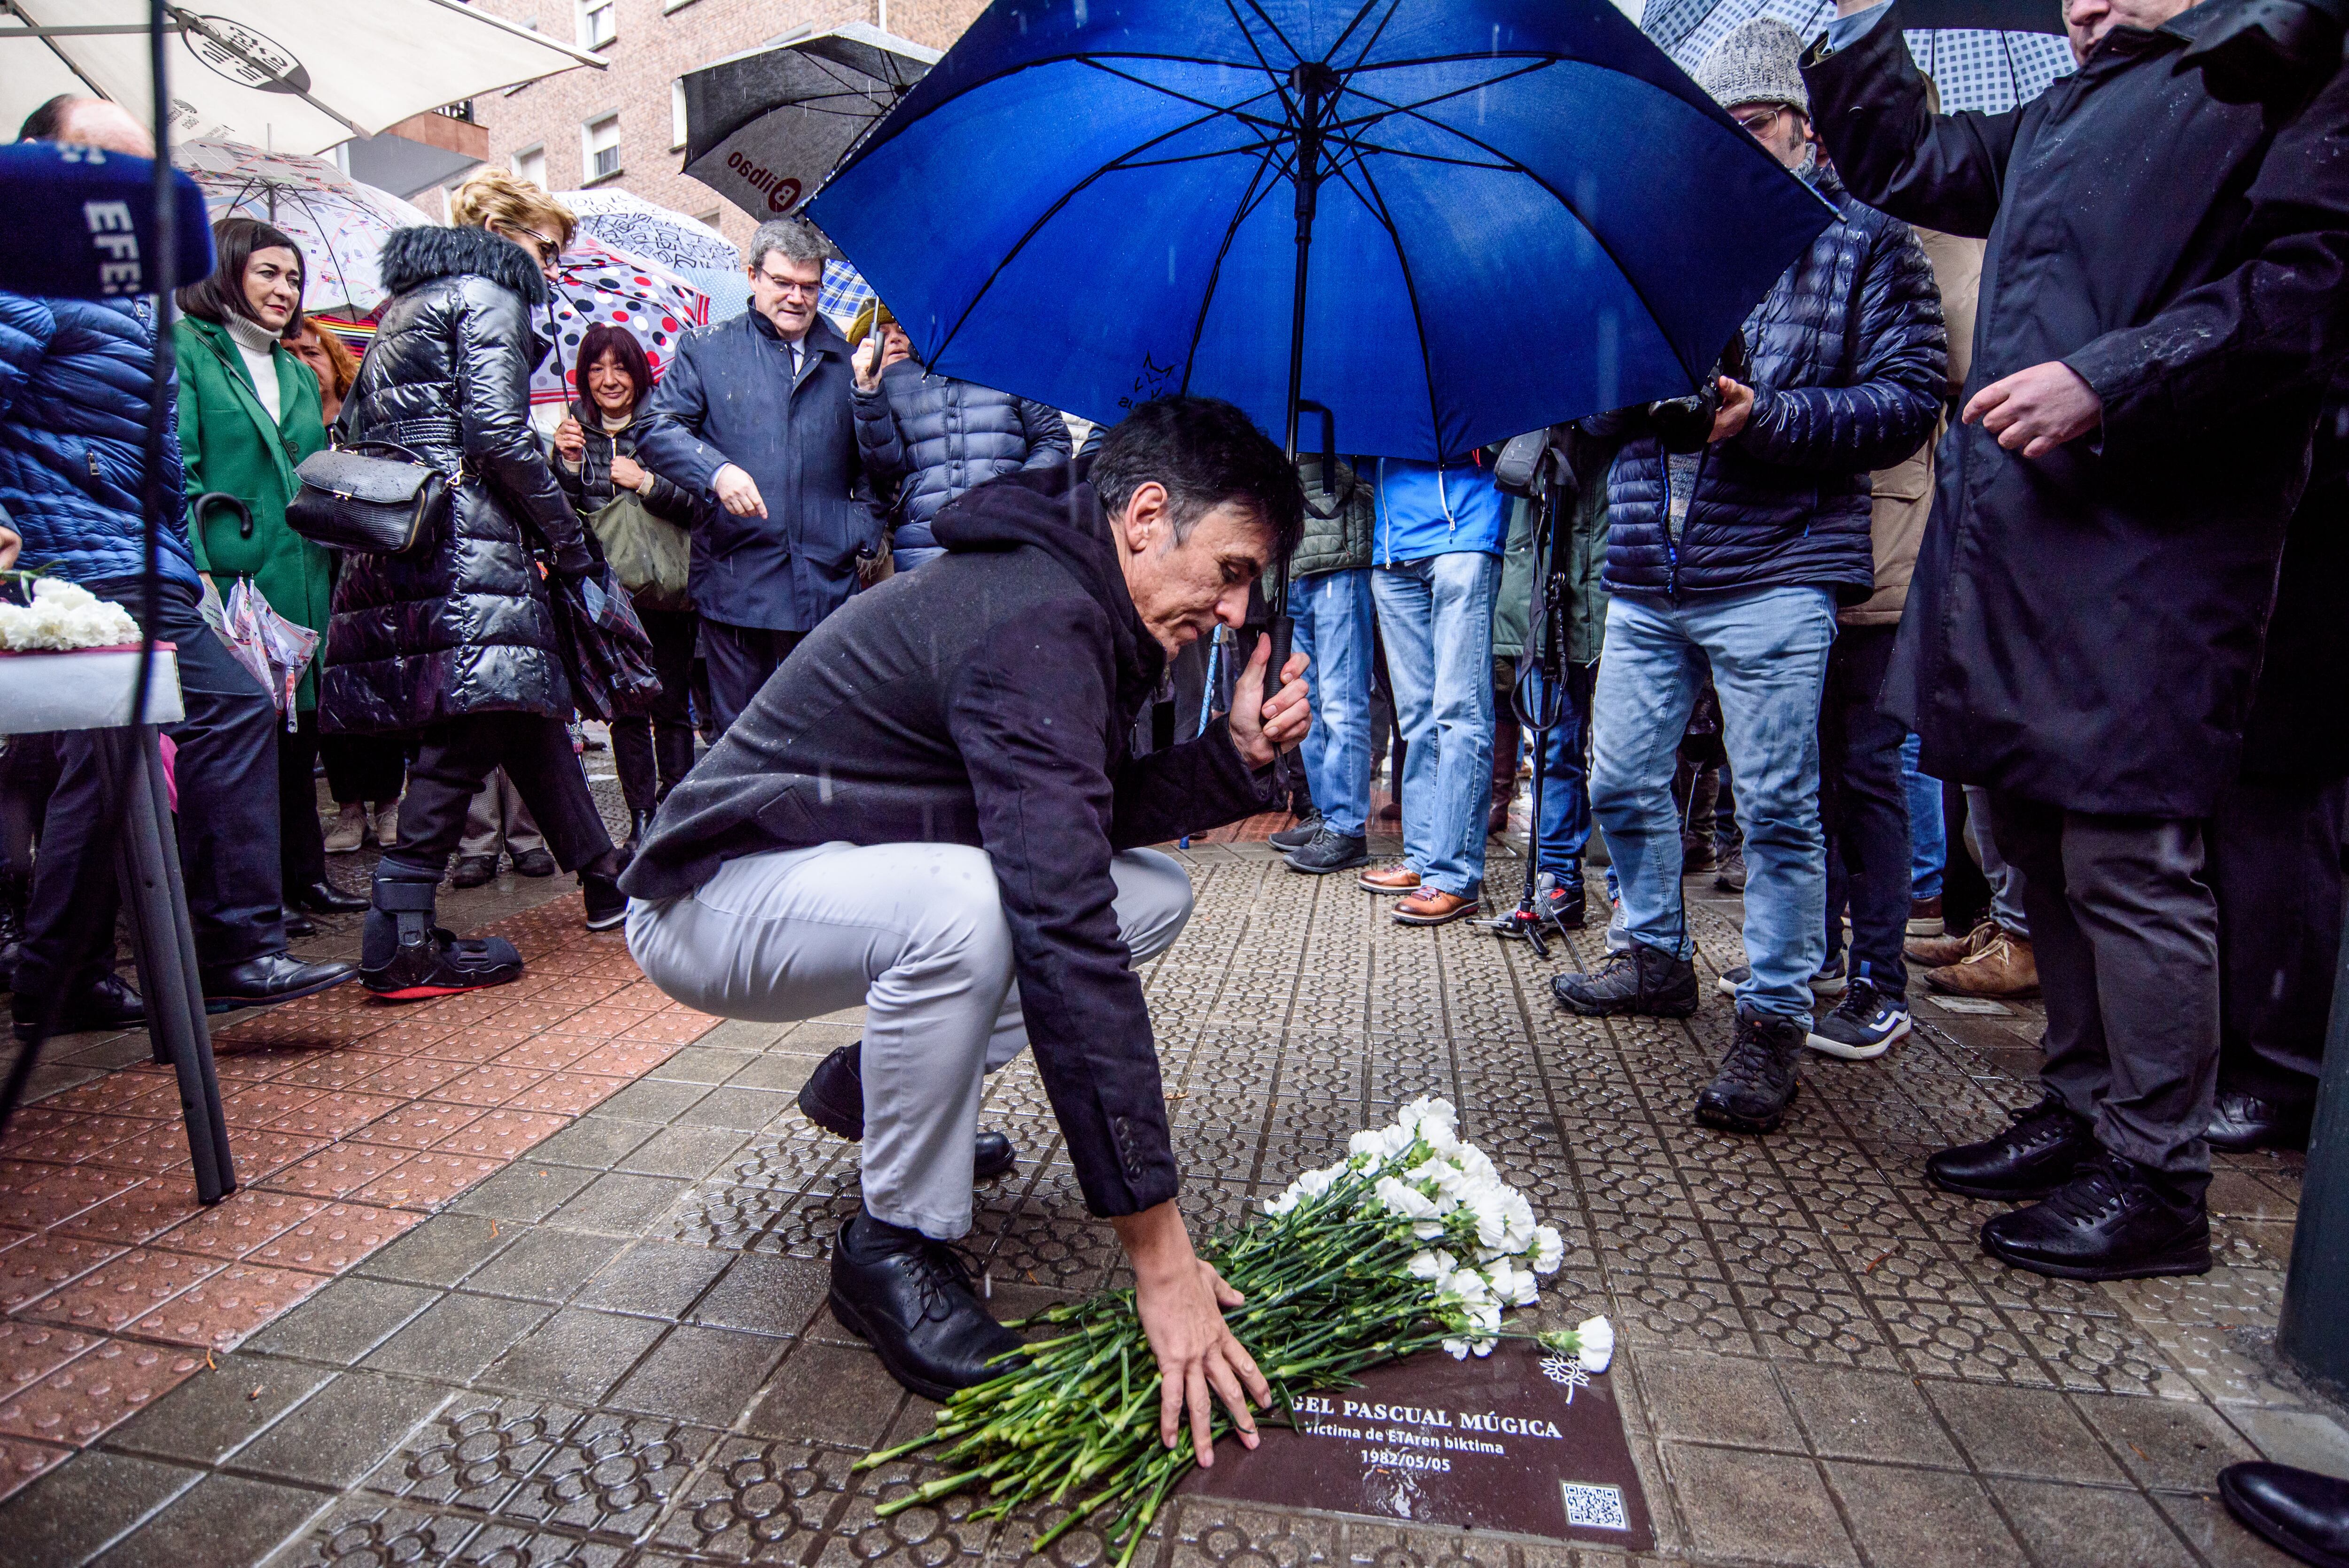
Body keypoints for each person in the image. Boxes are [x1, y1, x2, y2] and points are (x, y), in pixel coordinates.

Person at [622, 396, 1307, 1426]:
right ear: (1147, 515)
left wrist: (1233, 761)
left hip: (824, 876)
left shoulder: (1070, 594)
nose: (1234, 615)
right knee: (973, 909)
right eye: (1230, 570)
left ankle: (878, 1087)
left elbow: (1067, 824)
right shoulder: (1032, 617)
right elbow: (1060, 918)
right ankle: (890, 1244)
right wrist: (1160, 1252)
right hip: (708, 898)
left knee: (1151, 892)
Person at [1804, 0, 2349, 1277]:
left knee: (2124, 852)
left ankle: (2157, 1176)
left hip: (2149, 543)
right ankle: (2084, 1104)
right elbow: (1909, 164)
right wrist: (1856, 21)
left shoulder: (2281, 77)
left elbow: (2301, 293)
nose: (2085, 4)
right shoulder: (2059, 107)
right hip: (2018, 532)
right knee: (2036, 834)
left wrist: (2114, 374)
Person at [1554, 19, 1945, 1138]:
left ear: (1804, 131)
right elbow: (1592, 408)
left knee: (1778, 807)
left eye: (1757, 125)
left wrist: (1761, 416)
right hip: (1647, 562)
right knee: (1622, 778)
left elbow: (1907, 401)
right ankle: (1658, 954)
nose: (1736, 145)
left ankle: (1772, 1012)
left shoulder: (1870, 243)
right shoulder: (1660, 239)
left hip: (1776, 567)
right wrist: (1625, 379)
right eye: (1716, 129)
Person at [2, 98, 356, 1035]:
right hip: (75, 561)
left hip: (137, 556)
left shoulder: (123, 289)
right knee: (213, 717)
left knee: (113, 768)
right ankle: (226, 948)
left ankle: (64, 984)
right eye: (105, 163)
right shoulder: (28, 278)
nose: (128, 186)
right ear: (45, 163)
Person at [329, 169, 631, 997]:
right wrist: (567, 539)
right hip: (469, 539)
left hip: (414, 540)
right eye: (544, 249)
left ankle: (609, 878)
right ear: (501, 231)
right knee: (471, 724)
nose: (551, 268)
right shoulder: (488, 293)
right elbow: (497, 431)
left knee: (516, 708)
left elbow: (360, 426)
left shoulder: (405, 307)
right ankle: (399, 933)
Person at [1810, 216, 1981, 1060]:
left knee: (1871, 762)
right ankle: (1822, 953)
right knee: (1813, 763)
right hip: (1806, 527)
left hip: (1892, 532)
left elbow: (1962, 364)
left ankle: (1881, 978)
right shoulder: (1818, 223)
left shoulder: (1941, 239)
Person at [173, 217, 370, 938]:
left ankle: (306, 875)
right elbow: (180, 468)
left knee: (301, 728)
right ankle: (256, 894)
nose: (285, 289)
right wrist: (196, 566)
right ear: (226, 271)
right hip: (234, 574)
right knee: (246, 736)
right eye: (268, 273)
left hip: (304, 571)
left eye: (292, 277)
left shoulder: (292, 366)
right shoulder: (189, 352)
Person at [636, 218, 884, 733]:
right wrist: (717, 471)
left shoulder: (847, 359)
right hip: (737, 578)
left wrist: (856, 530)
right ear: (753, 276)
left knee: (824, 731)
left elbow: (880, 469)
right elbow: (654, 430)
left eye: (809, 286)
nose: (797, 297)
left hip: (825, 579)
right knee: (741, 735)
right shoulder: (706, 349)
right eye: (782, 283)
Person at [554, 322, 700, 854]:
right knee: (627, 709)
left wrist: (647, 482)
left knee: (672, 704)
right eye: (596, 368)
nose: (609, 379)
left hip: (669, 594)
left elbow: (695, 504)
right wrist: (567, 466)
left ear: (639, 372)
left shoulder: (666, 429)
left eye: (619, 366)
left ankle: (678, 806)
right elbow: (561, 519)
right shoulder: (574, 432)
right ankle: (640, 814)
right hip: (610, 597)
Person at [1354, 454, 1508, 926]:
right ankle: (1423, 856)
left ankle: (1455, 874)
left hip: (1461, 530)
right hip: (1391, 545)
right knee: (1418, 718)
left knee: (1460, 714)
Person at [848, 300, 1072, 574]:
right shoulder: (894, 379)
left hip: (1009, 538)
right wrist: (869, 393)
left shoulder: (1014, 368)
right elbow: (884, 468)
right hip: (924, 546)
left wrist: (1015, 494)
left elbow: (1053, 440)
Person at [1272, 453, 1377, 875]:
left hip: (1339, 556)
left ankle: (1347, 827)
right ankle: (1325, 815)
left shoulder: (1346, 398)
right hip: (1293, 564)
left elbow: (1367, 475)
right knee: (1307, 700)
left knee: (1341, 702)